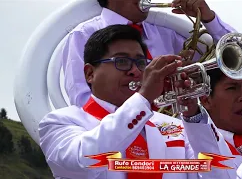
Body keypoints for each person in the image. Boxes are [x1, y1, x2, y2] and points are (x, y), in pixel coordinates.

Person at [39, 24, 210, 179]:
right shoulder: (59, 122)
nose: (135, 71)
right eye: (121, 61)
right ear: (90, 73)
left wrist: (193, 116)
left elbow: (216, 172)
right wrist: (143, 98)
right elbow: (84, 161)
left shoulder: (176, 127)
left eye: (141, 63)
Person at [62, 0, 237, 107]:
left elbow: (235, 55)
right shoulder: (82, 35)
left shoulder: (165, 33)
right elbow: (82, 102)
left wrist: (208, 17)